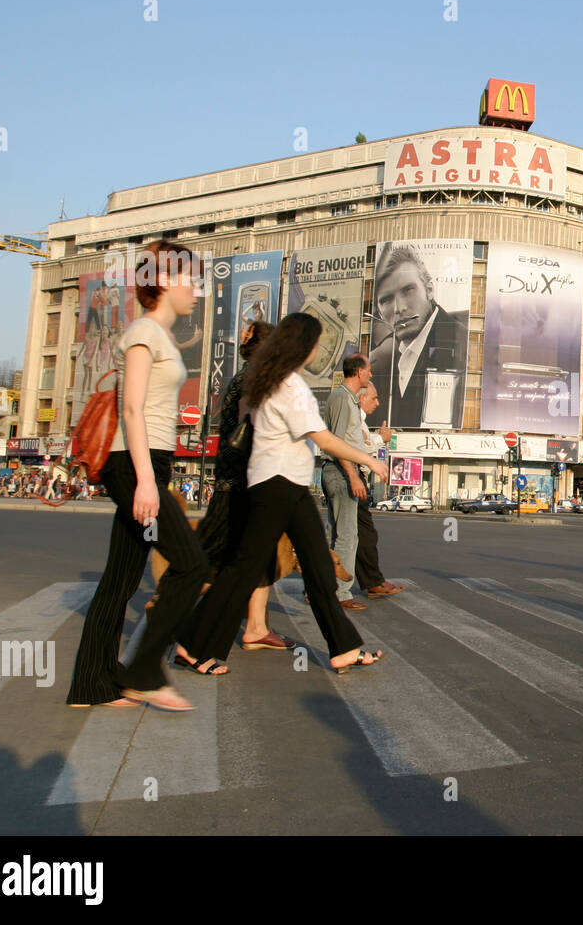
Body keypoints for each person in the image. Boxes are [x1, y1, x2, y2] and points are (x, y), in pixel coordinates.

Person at [175, 312, 389, 674]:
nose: (319, 349)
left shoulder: (266, 380)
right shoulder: (290, 386)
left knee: (319, 569)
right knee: (243, 569)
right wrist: (369, 459)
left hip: (284, 484)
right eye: (316, 342)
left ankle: (344, 648)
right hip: (278, 485)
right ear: (302, 345)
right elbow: (321, 437)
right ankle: (193, 645)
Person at [66, 239, 210, 712]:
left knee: (120, 580)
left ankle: (92, 686)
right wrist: (147, 482)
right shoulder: (144, 331)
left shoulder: (161, 334)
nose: (197, 289)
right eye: (189, 278)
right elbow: (131, 407)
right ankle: (144, 672)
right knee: (191, 565)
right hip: (133, 463)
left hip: (146, 462)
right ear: (165, 281)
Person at [192, 319, 295, 653]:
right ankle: (178, 617)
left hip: (237, 475)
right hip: (243, 478)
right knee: (225, 556)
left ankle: (255, 626)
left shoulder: (244, 375)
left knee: (251, 553)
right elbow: (252, 426)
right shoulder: (253, 378)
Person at [366, 243, 467, 430]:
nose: (399, 308)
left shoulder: (462, 342)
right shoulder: (378, 363)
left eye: (408, 290)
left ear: (429, 290)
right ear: (379, 312)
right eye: (386, 300)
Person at [321, 352, 373, 610]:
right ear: (359, 372)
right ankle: (340, 593)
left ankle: (323, 589)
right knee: (347, 536)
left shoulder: (348, 399)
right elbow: (337, 443)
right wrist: (353, 476)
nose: (371, 374)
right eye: (369, 370)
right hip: (341, 473)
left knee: (337, 535)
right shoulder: (342, 398)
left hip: (339, 472)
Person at [351, 381, 403, 598]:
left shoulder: (359, 420)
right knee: (360, 535)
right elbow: (356, 447)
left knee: (350, 535)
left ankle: (372, 581)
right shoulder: (354, 417)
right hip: (351, 478)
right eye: (374, 398)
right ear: (362, 398)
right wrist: (382, 439)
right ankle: (372, 582)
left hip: (353, 477)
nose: (378, 403)